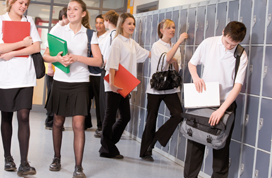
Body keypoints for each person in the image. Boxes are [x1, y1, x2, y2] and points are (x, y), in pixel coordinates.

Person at [43, 0, 102, 178]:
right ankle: (57, 158)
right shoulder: (58, 29)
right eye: (69, 9)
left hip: (80, 82)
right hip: (61, 81)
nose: (71, 12)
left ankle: (78, 167)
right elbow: (46, 56)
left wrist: (76, 57)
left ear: (83, 14)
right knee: (58, 122)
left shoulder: (90, 34)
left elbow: (98, 61)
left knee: (78, 124)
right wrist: (58, 59)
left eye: (75, 9)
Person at [184, 21, 248, 178]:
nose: (228, 47)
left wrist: (222, 109)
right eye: (227, 42)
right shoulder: (208, 43)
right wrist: (196, 77)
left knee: (220, 149)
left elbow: (237, 86)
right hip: (204, 101)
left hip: (225, 105)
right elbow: (192, 63)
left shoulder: (241, 54)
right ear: (223, 32)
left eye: (233, 45)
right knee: (194, 148)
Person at [0, 0, 41, 176]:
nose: (23, 7)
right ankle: (7, 158)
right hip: (6, 78)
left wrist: (12, 53)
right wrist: (22, 43)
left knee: (24, 117)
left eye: (26, 4)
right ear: (11, 1)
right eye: (21, 3)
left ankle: (24, 163)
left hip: (25, 77)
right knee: (6, 117)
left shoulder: (29, 22)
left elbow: (36, 46)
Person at [99, 13, 151, 159]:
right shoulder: (117, 42)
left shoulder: (132, 43)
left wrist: (165, 55)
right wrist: (113, 85)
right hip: (114, 84)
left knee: (125, 116)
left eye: (133, 24)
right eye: (129, 23)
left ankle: (107, 144)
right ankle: (107, 147)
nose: (132, 26)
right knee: (110, 117)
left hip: (124, 84)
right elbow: (112, 65)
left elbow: (147, 54)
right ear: (122, 24)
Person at [140, 19, 188, 161]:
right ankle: (145, 151)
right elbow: (167, 59)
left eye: (173, 27)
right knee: (151, 119)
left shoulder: (175, 46)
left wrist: (175, 61)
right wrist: (179, 42)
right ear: (161, 30)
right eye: (168, 28)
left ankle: (156, 138)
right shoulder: (157, 45)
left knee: (178, 114)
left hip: (170, 88)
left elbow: (176, 67)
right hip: (156, 88)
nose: (172, 30)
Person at [45, 7, 69, 130]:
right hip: (53, 69)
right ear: (64, 17)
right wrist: (50, 68)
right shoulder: (56, 30)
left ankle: (52, 121)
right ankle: (49, 122)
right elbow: (48, 51)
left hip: (59, 69)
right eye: (69, 17)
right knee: (52, 96)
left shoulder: (64, 29)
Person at [84, 14, 109, 137]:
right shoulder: (92, 35)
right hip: (88, 72)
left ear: (106, 23)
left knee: (100, 102)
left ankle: (100, 126)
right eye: (97, 22)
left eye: (101, 22)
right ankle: (86, 123)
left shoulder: (108, 36)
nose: (99, 25)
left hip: (100, 73)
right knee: (86, 100)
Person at [98, 10, 119, 137]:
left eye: (104, 20)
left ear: (108, 21)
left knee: (106, 103)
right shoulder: (112, 34)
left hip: (108, 69)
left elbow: (109, 53)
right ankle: (107, 130)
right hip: (108, 68)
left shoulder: (113, 34)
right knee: (107, 103)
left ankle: (107, 130)